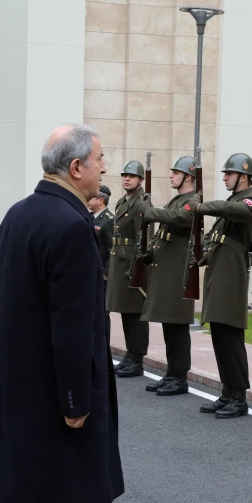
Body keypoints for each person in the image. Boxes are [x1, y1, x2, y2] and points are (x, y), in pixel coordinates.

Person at [0, 123, 123, 503]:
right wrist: (75, 396)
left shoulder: (20, 214)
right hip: (51, 386)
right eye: (100, 159)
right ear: (77, 167)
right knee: (49, 488)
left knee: (26, 484)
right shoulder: (69, 225)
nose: (105, 167)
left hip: (18, 378)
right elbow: (71, 324)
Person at [194, 153, 252, 418]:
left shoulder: (250, 201)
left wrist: (201, 207)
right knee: (220, 336)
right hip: (219, 272)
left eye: (229, 174)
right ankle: (227, 391)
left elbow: (234, 210)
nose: (224, 178)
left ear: (243, 177)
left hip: (232, 275)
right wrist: (203, 257)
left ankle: (240, 396)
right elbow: (219, 237)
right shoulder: (232, 201)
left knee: (232, 338)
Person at [136, 157, 200, 397]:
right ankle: (172, 372)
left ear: (189, 177)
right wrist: (150, 250)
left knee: (178, 324)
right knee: (168, 323)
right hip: (167, 268)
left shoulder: (193, 200)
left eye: (176, 172)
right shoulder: (177, 199)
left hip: (178, 269)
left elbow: (182, 219)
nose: (172, 175)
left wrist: (151, 212)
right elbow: (165, 229)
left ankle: (180, 376)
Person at [109, 161, 150, 379]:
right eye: (125, 175)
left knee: (136, 313)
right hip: (121, 262)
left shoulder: (141, 202)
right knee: (126, 311)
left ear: (141, 180)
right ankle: (130, 354)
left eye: (132, 176)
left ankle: (137, 358)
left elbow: (143, 238)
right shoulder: (123, 201)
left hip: (132, 264)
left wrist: (137, 267)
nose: (127, 178)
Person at [89, 184, 114, 274]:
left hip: (100, 270)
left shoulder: (109, 220)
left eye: (91, 197)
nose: (88, 199)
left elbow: (112, 249)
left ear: (100, 200)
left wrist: (106, 272)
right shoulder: (89, 217)